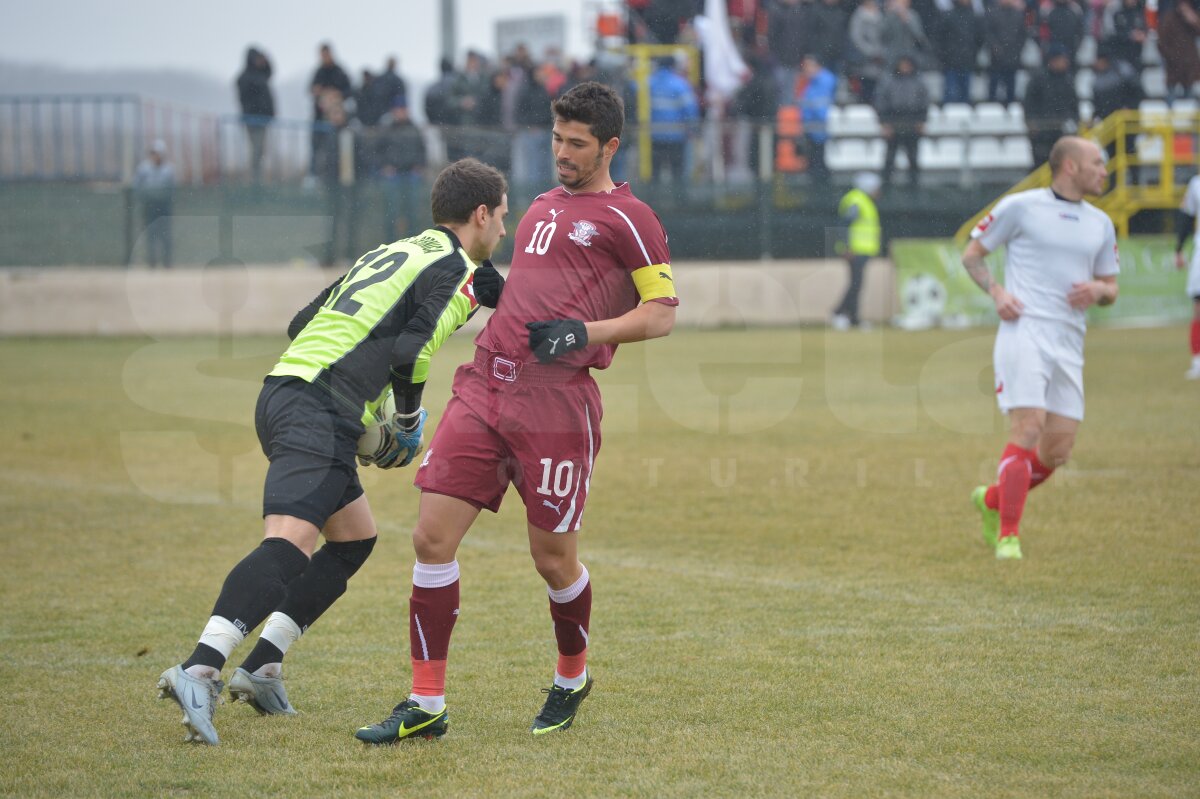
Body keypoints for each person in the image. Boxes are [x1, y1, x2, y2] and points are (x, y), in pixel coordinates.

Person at [354, 81, 678, 744]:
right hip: (484, 387)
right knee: (430, 537)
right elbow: (521, 287)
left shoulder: (631, 217)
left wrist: (583, 333)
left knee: (553, 558)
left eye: (577, 144)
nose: (562, 152)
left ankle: (570, 676)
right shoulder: (536, 208)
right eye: (557, 138)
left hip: (558, 404)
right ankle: (426, 701)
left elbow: (661, 314)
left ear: (609, 146)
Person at [155, 158, 511, 746]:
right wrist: (402, 418)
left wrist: (361, 415)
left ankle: (262, 665)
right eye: (501, 217)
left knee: (353, 540)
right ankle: (200, 668)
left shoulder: (391, 251)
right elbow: (411, 351)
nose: (505, 229)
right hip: (316, 410)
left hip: (289, 394)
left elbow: (304, 322)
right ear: (480, 214)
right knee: (290, 543)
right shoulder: (450, 266)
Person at [963, 137, 1119, 560]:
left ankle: (993, 500)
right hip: (1024, 331)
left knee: (1058, 451)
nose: (1105, 171)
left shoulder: (1101, 224)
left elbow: (1112, 289)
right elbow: (972, 255)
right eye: (1097, 163)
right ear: (1070, 166)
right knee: (1028, 428)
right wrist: (997, 292)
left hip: (1070, 340)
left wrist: (1099, 289)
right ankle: (1008, 536)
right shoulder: (1022, 207)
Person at [831, 172, 883, 330]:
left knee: (857, 284)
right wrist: (846, 248)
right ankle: (839, 313)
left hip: (861, 250)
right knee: (855, 284)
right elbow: (844, 225)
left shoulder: (862, 201)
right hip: (855, 251)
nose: (878, 191)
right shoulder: (857, 201)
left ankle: (853, 318)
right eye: (876, 188)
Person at [875, 54, 929, 188]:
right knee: (890, 158)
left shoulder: (918, 81)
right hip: (894, 121)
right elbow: (881, 102)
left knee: (913, 158)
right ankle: (886, 186)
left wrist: (921, 121)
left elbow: (924, 102)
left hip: (912, 121)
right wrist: (884, 123)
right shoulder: (889, 81)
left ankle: (914, 187)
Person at [647, 55, 700, 186]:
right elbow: (690, 110)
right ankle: (679, 201)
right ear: (673, 66)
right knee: (678, 172)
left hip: (653, 136)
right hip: (676, 137)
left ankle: (654, 202)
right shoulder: (680, 84)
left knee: (655, 174)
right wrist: (694, 129)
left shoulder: (649, 83)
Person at [1022, 45, 1079, 167]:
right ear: (1053, 61)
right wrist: (1032, 123)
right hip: (1042, 132)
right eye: (1062, 59)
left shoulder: (1068, 80)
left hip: (1061, 130)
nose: (1065, 62)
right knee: (1041, 164)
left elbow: (1074, 105)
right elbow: (1029, 104)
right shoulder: (1038, 79)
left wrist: (1074, 121)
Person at [1172, 173, 1200, 378]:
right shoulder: (1196, 184)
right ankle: (1198, 360)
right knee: (1198, 305)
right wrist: (1179, 249)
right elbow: (1187, 217)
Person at [132, 139, 174, 268]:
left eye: (157, 153)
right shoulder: (143, 169)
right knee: (151, 235)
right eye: (153, 153)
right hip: (149, 207)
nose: (155, 156)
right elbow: (137, 186)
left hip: (164, 207)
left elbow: (172, 189)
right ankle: (152, 263)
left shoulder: (169, 170)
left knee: (165, 235)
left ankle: (167, 263)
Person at [236, 47, 275, 183]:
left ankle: (257, 180)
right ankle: (255, 182)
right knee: (257, 151)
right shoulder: (246, 78)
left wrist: (267, 60)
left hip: (262, 119)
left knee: (260, 152)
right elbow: (246, 99)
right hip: (253, 120)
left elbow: (269, 72)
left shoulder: (260, 75)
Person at [798, 53, 837, 183]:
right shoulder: (810, 82)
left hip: (821, 131)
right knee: (813, 167)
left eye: (808, 66)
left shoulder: (825, 80)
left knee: (820, 169)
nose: (805, 69)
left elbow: (820, 107)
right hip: (811, 130)